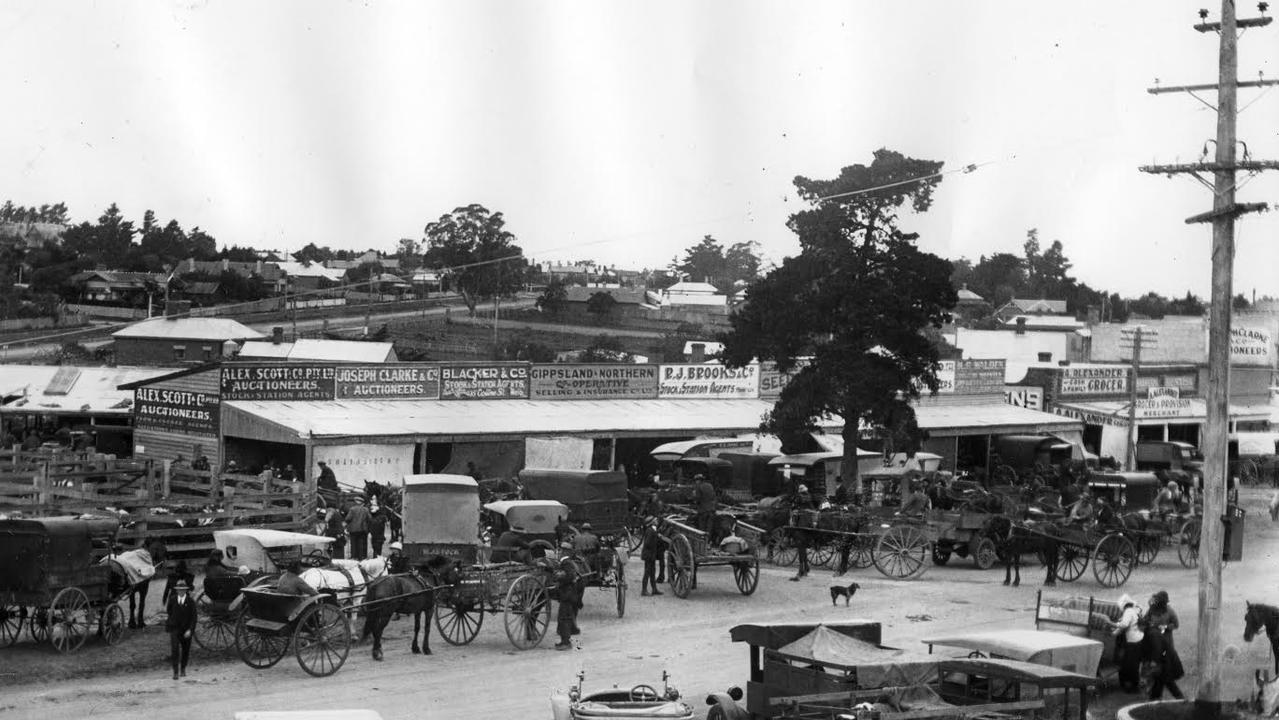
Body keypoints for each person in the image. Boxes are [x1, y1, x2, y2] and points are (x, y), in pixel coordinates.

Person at [1143, 590, 1184, 700]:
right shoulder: (1151, 610)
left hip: (1166, 641)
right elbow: (1145, 620)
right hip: (1155, 641)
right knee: (1162, 676)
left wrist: (1165, 627)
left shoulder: (1170, 611)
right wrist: (1149, 624)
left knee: (1164, 673)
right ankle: (1155, 695)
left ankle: (1158, 697)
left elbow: (1176, 624)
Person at [1110, 594, 1145, 693]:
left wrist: (1113, 625)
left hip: (1134, 642)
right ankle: (1131, 685)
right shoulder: (1132, 610)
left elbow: (1124, 625)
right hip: (1137, 640)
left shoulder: (1128, 612)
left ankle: (1133, 687)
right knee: (1132, 664)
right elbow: (1122, 628)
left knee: (1131, 665)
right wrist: (1114, 633)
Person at [165, 580, 198, 679]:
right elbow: (169, 611)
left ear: (186, 591)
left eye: (183, 590)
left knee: (185, 650)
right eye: (179, 590)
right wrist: (172, 622)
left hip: (186, 629)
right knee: (174, 649)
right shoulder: (172, 600)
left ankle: (183, 668)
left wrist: (190, 630)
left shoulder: (190, 601)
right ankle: (175, 672)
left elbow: (194, 617)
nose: (181, 592)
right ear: (176, 591)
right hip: (174, 628)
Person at [553, 555, 582, 650]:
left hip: (568, 595)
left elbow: (569, 576)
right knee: (564, 617)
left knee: (564, 618)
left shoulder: (567, 564)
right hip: (568, 595)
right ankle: (565, 641)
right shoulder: (568, 563)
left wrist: (559, 577)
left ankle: (566, 643)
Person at [640, 516, 666, 596]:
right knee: (647, 573)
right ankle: (644, 590)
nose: (657, 521)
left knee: (652, 573)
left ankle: (654, 589)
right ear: (652, 523)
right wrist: (656, 539)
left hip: (651, 555)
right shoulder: (650, 531)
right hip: (649, 555)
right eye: (655, 520)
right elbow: (647, 543)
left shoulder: (653, 530)